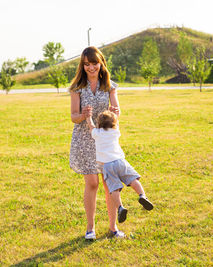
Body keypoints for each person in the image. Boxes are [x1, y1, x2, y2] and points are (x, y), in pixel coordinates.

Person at [69, 46, 124, 239]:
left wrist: (115, 111)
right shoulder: (77, 87)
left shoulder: (109, 85)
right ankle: (90, 228)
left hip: (104, 141)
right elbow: (73, 117)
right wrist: (82, 115)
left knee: (109, 183)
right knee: (92, 183)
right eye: (87, 64)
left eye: (94, 63)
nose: (91, 68)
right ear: (82, 66)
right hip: (84, 140)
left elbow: (116, 110)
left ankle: (113, 228)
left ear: (101, 63)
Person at [86, 110, 154, 224]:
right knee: (133, 179)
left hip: (107, 165)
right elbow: (116, 124)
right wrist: (115, 115)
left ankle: (120, 207)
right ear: (114, 124)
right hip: (120, 161)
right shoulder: (115, 131)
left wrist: (88, 117)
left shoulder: (97, 133)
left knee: (114, 189)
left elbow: (91, 126)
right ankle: (142, 195)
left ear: (99, 124)